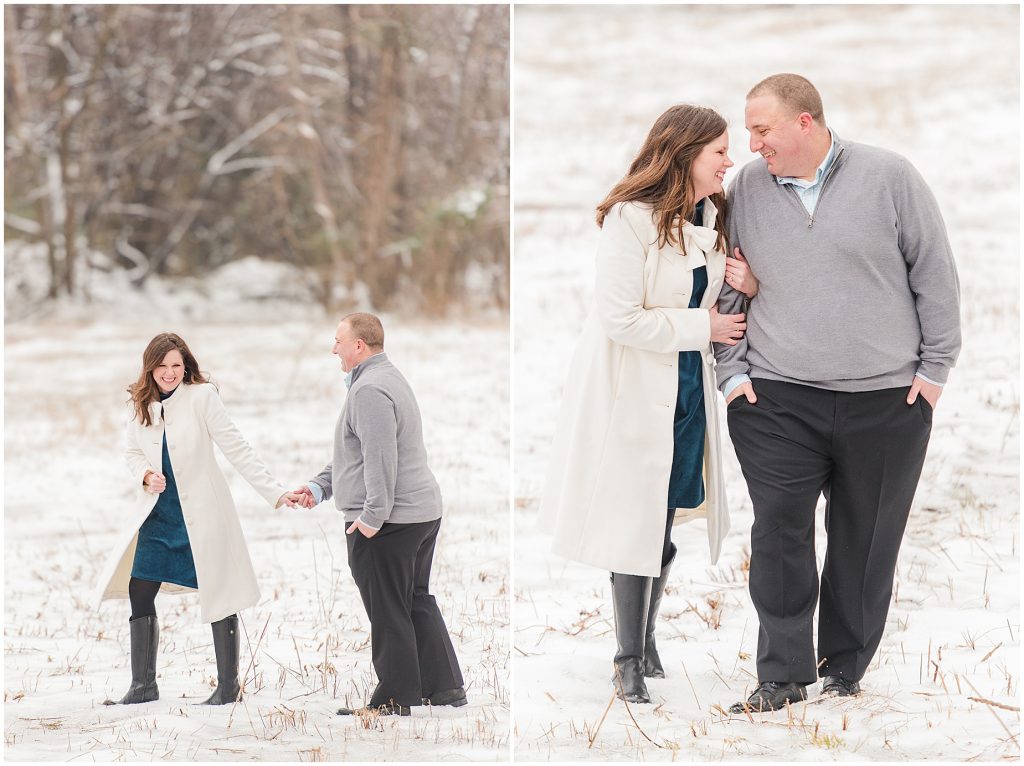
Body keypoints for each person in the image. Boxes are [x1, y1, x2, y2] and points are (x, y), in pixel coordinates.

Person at [715, 74, 961, 713]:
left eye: (761, 129)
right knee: (779, 530)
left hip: (886, 399)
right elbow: (728, 281)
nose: (751, 142)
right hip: (776, 398)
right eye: (748, 131)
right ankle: (783, 674)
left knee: (865, 536)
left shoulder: (889, 177)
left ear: (805, 123)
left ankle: (844, 667)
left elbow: (934, 274)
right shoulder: (745, 188)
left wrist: (933, 374)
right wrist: (733, 375)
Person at [542, 105, 759, 705]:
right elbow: (620, 318)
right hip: (632, 392)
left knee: (662, 521)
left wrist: (744, 287)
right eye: (719, 151)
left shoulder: (713, 217)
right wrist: (704, 326)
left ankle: (647, 638)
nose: (729, 161)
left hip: (688, 389)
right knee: (634, 524)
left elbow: (716, 303)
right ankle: (626, 660)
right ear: (685, 153)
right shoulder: (630, 221)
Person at [95, 333, 302, 706]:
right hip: (158, 516)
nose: (170, 373)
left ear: (185, 365)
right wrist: (144, 473)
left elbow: (237, 447)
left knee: (220, 591)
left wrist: (275, 492)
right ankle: (143, 686)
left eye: (176, 365)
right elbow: (130, 451)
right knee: (139, 589)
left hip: (202, 514)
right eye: (162, 366)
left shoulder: (202, 397)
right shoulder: (141, 404)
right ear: (150, 368)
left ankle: (227, 688)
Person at [293, 312, 466, 717]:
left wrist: (371, 518)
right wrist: (319, 487)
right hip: (419, 513)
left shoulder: (369, 390)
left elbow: (380, 460)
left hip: (391, 520)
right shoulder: (385, 377)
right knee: (413, 600)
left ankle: (395, 698)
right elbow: (356, 455)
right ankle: (444, 688)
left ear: (359, 346)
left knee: (388, 607)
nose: (333, 348)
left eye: (339, 340)